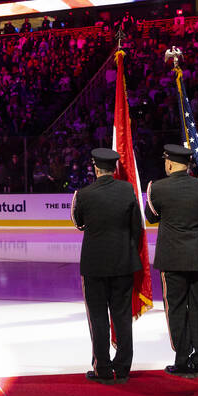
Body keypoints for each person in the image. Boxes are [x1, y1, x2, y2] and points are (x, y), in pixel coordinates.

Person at [145, 144, 198, 378]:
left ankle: (182, 359)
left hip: (172, 259)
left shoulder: (158, 188)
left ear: (169, 163)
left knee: (175, 308)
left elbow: (150, 217)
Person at [71, 147, 143, 383]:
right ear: (114, 168)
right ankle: (122, 368)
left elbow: (79, 223)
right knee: (122, 316)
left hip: (94, 264)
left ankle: (102, 368)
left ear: (95, 167)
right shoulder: (127, 190)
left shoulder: (84, 194)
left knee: (98, 317)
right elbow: (136, 226)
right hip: (123, 261)